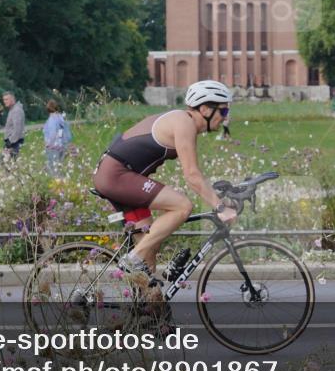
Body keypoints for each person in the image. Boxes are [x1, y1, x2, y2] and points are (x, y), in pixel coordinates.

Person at [92, 80, 237, 281]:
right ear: (204, 108)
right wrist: (220, 208)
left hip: (113, 175)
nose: (225, 118)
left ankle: (148, 308)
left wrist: (218, 197)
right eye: (223, 112)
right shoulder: (184, 123)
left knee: (148, 258)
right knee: (182, 206)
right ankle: (132, 258)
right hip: (116, 175)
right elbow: (192, 175)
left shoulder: (180, 119)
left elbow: (196, 174)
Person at [42, 100, 71, 176]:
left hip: (53, 147)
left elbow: (53, 133)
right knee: (60, 167)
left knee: (54, 169)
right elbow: (63, 133)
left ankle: (57, 185)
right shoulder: (61, 118)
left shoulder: (52, 119)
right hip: (62, 146)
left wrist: (49, 144)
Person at [2, 92, 26, 160]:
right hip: (12, 142)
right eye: (4, 100)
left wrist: (10, 142)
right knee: (7, 163)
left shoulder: (16, 111)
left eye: (6, 99)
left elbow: (17, 129)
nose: (4, 101)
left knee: (6, 163)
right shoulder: (13, 109)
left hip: (14, 142)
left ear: (12, 99)